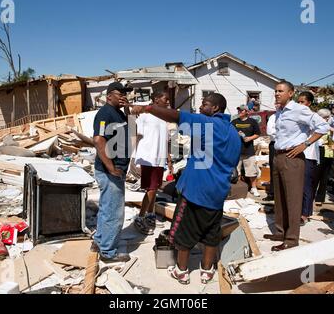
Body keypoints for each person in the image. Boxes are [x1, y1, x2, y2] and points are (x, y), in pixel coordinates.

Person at [131, 93, 241, 285]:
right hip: (218, 191)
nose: (200, 107)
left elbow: (177, 116)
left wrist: (146, 108)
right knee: (210, 232)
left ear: (215, 108)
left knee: (184, 231)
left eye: (204, 104)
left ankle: (181, 271)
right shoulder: (233, 133)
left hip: (196, 190)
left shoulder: (206, 123)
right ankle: (207, 270)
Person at [264, 81, 329, 251]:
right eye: (276, 91)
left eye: (281, 91)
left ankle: (291, 239)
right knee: (279, 197)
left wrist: (305, 144)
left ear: (291, 93)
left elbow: (323, 126)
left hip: (292, 157)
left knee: (292, 199)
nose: (277, 94)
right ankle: (280, 232)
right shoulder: (279, 111)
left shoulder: (299, 110)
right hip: (278, 156)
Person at [92, 82, 133, 263]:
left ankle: (99, 241)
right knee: (114, 212)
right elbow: (99, 140)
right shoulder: (105, 114)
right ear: (109, 96)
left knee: (106, 208)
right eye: (120, 93)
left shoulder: (119, 113)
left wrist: (128, 110)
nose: (124, 96)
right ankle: (108, 252)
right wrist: (110, 167)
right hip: (110, 171)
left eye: (125, 93)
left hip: (116, 169)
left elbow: (130, 130)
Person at [133, 91, 173, 235]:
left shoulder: (164, 117)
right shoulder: (145, 116)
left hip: (159, 158)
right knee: (151, 188)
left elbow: (166, 140)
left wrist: (168, 158)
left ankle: (150, 213)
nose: (168, 101)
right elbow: (135, 134)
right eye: (165, 98)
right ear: (156, 99)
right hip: (149, 157)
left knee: (155, 188)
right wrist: (134, 156)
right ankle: (140, 217)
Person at [297, 92, 320, 226]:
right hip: (296, 154)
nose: (300, 105)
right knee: (297, 186)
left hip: (308, 155)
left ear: (309, 103)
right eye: (298, 102)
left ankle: (305, 214)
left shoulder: (313, 116)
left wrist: (307, 143)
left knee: (306, 186)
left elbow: (323, 129)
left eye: (302, 102)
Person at [232, 105, 261, 197]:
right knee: (236, 171)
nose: (239, 112)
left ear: (247, 112)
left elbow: (257, 134)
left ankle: (253, 188)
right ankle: (239, 189)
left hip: (249, 150)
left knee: (251, 171)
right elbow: (230, 133)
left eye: (241, 110)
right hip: (236, 151)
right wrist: (236, 134)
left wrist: (249, 138)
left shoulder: (252, 122)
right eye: (239, 110)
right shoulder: (234, 122)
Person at [314, 109, 334, 206]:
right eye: (325, 118)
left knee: (325, 176)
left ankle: (320, 197)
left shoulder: (329, 127)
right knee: (316, 175)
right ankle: (311, 195)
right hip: (319, 151)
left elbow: (333, 139)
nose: (327, 119)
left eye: (328, 118)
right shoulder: (315, 127)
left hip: (329, 152)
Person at [263, 101, 280, 202]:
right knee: (274, 169)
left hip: (287, 146)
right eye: (277, 104)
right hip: (275, 144)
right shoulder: (273, 117)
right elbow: (270, 132)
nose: (278, 105)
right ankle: (272, 193)